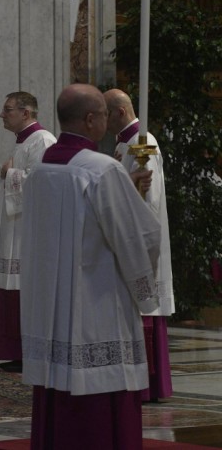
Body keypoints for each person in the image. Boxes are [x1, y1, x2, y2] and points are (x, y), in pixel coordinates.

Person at [20, 84, 161, 450]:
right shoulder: (101, 170)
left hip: (50, 308)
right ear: (91, 119)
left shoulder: (40, 169)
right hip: (95, 305)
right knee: (97, 403)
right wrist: (145, 289)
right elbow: (137, 239)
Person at [0, 92, 56, 373]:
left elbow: (43, 184)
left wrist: (9, 175)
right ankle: (16, 352)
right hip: (14, 231)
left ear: (27, 112)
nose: (2, 115)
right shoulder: (25, 142)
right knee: (10, 292)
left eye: (7, 109)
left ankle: (27, 353)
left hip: (27, 234)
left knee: (22, 291)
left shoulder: (43, 141)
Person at [104, 88, 174, 403]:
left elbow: (150, 197)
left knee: (144, 303)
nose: (103, 121)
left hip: (140, 238)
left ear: (119, 112)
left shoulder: (144, 144)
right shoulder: (124, 142)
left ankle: (148, 383)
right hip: (126, 233)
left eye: (106, 113)